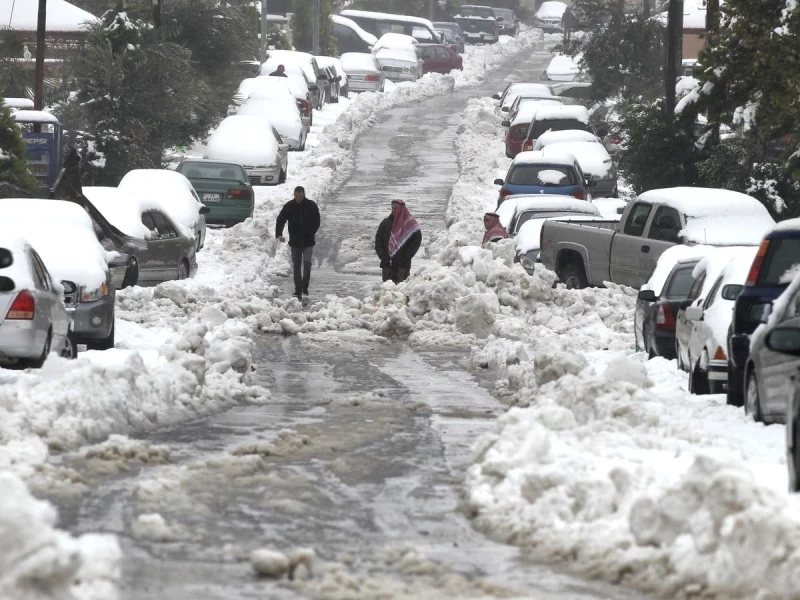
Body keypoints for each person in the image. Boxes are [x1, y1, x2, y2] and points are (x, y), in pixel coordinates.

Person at [276, 186, 321, 301]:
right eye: (296, 196)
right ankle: (298, 288)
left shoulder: (311, 205)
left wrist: (311, 232)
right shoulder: (289, 206)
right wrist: (279, 234)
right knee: (296, 265)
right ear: (294, 195)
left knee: (307, 263)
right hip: (295, 241)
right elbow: (281, 219)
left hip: (308, 241)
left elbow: (317, 220)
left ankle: (304, 286)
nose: (298, 199)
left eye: (300, 196)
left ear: (304, 195)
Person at [375, 200, 422, 284]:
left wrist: (408, 255)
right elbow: (378, 240)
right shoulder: (385, 223)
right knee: (388, 290)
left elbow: (417, 239)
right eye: (392, 208)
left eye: (396, 208)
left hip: (403, 265)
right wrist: (382, 255)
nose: (393, 210)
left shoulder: (410, 224)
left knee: (401, 288)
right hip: (387, 264)